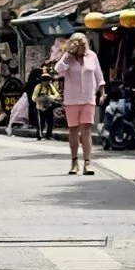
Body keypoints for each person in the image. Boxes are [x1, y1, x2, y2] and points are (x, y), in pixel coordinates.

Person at [58, 32, 105, 175]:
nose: (82, 46)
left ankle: (87, 163)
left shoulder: (92, 56)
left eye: (84, 43)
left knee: (87, 130)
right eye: (79, 44)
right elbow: (58, 69)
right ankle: (74, 161)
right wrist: (67, 54)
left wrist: (102, 93)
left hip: (88, 99)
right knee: (73, 130)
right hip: (72, 99)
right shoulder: (68, 59)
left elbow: (99, 77)